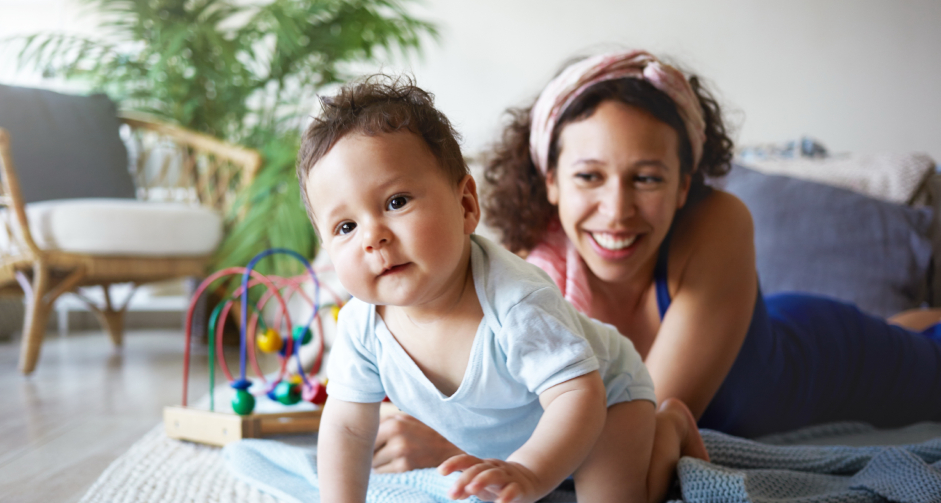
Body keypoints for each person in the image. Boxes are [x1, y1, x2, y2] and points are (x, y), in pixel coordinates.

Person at [371, 49, 941, 473]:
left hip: (829, 357)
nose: (617, 211)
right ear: (551, 181)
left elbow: (634, 431)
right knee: (909, 326)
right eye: (589, 176)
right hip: (774, 326)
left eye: (645, 178)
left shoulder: (720, 222)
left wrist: (461, 450)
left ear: (683, 183)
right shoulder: (524, 282)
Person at [278, 75, 709, 503]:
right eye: (345, 227)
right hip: (525, 424)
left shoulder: (516, 300)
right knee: (545, 482)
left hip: (606, 394)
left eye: (396, 202)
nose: (373, 237)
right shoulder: (360, 324)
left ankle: (668, 426)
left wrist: (530, 471)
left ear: (466, 205)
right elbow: (347, 427)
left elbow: (578, 396)